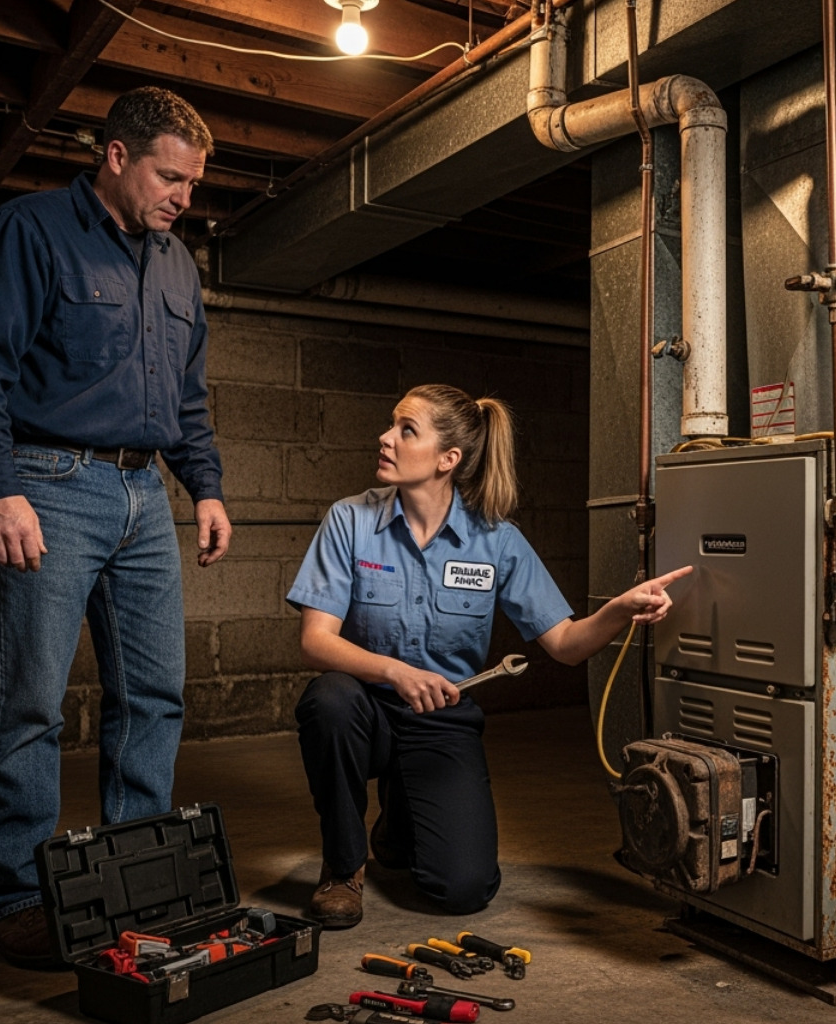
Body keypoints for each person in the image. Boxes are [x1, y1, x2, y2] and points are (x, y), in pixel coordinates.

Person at [0, 87, 231, 968]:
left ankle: (138, 877)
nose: (183, 197)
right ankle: (15, 897)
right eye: (169, 176)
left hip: (146, 500)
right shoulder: (29, 230)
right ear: (114, 156)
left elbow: (186, 398)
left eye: (192, 182)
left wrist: (204, 488)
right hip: (48, 485)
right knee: (29, 698)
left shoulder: (175, 263)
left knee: (155, 696)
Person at [288, 384, 690, 927]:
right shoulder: (350, 520)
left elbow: (566, 646)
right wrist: (396, 672)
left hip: (442, 720)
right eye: (392, 425)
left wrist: (619, 609)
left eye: (406, 430)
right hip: (366, 711)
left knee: (464, 890)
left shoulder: (496, 541)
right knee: (328, 702)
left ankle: (399, 824)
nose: (385, 437)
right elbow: (315, 641)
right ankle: (342, 866)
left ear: (447, 459)